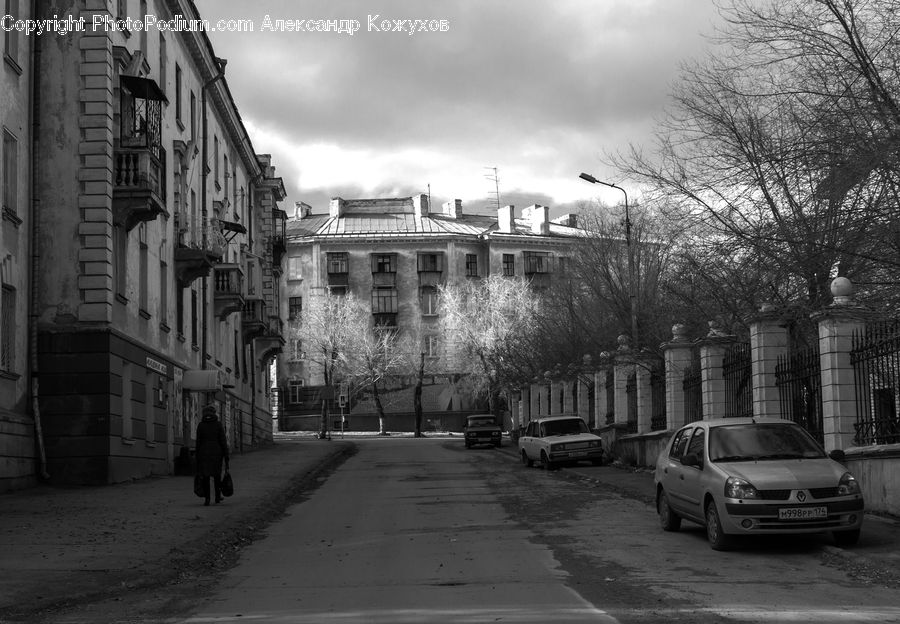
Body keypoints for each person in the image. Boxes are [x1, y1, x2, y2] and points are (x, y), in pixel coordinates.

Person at [195, 404, 229, 506]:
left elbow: (198, 442)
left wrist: (197, 456)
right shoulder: (218, 424)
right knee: (216, 475)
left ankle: (207, 499)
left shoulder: (201, 425)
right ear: (214, 413)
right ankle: (217, 497)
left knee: (205, 476)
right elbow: (223, 441)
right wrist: (226, 455)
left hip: (204, 453)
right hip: (217, 453)